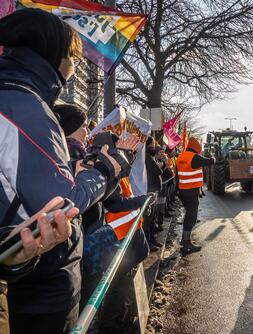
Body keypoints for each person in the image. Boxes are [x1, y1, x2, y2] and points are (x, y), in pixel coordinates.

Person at [0, 9, 129, 333]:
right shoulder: (25, 106)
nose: (75, 66)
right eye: (73, 56)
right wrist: (106, 168)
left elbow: (21, 187)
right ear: (53, 56)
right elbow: (61, 203)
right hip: (46, 285)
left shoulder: (15, 98)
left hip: (32, 274)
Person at [0, 196, 79, 334]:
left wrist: (10, 253)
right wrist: (102, 174)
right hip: (37, 299)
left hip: (64, 285)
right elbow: (77, 195)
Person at [176, 137, 215, 252]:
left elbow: (177, 176)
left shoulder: (180, 157)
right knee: (191, 217)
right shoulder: (194, 157)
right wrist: (213, 158)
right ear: (196, 148)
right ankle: (187, 243)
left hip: (182, 190)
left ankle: (184, 239)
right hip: (191, 191)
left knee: (188, 214)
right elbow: (209, 161)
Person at [144, 137, 163, 251]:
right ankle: (148, 242)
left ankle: (152, 239)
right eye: (151, 145)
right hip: (149, 190)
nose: (154, 147)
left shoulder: (149, 156)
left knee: (152, 219)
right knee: (148, 219)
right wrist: (160, 166)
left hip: (153, 190)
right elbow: (158, 171)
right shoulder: (147, 157)